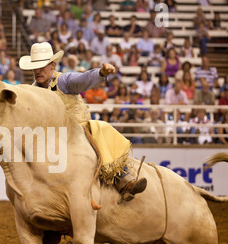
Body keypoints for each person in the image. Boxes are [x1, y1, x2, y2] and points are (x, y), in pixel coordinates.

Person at [19, 42, 147, 201]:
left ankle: (124, 178)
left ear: (52, 66)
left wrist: (100, 73)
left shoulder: (63, 81)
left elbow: (83, 79)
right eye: (35, 67)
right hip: (50, 137)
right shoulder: (32, 92)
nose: (37, 70)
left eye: (42, 66)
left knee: (99, 130)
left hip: (78, 131)